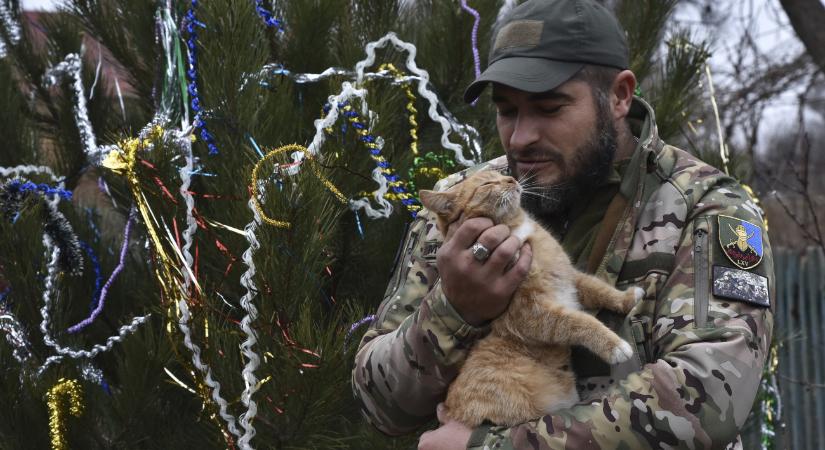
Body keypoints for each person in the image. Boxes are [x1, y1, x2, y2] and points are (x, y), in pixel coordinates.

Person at [352, 0, 775, 448]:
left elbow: (708, 398)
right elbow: (378, 404)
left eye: (549, 109)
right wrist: (455, 308)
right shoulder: (463, 202)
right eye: (507, 111)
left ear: (619, 96)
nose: (520, 138)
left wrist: (491, 447)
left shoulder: (706, 208)